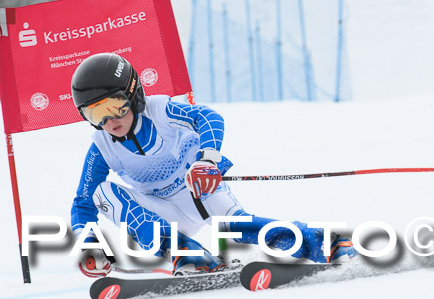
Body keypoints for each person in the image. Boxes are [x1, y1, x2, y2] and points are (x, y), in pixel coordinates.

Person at [70, 52, 356, 278]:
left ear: (133, 95)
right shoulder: (102, 146)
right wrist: (88, 243)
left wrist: (207, 160)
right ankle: (191, 257)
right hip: (162, 214)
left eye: (114, 106)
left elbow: (209, 118)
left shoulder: (161, 111)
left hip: (199, 187)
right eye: (95, 113)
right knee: (101, 193)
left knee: (236, 226)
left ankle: (328, 244)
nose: (109, 121)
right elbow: (83, 203)